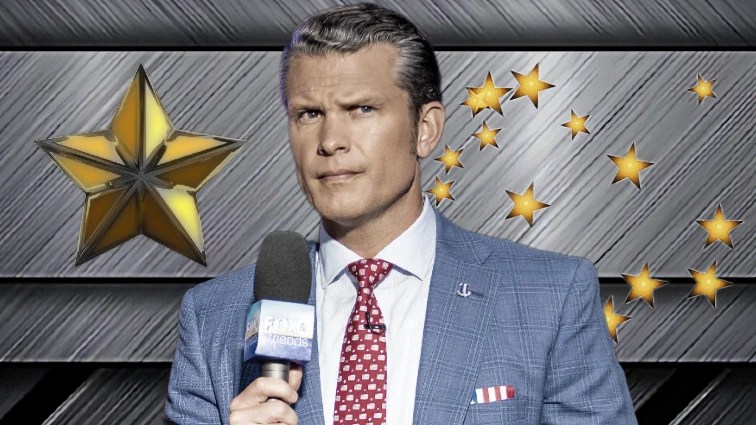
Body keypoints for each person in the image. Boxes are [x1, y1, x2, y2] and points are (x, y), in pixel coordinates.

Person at [164, 3, 638, 424]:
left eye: (362, 109)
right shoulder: (214, 318)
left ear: (425, 129)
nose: (330, 141)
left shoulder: (549, 297)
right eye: (309, 114)